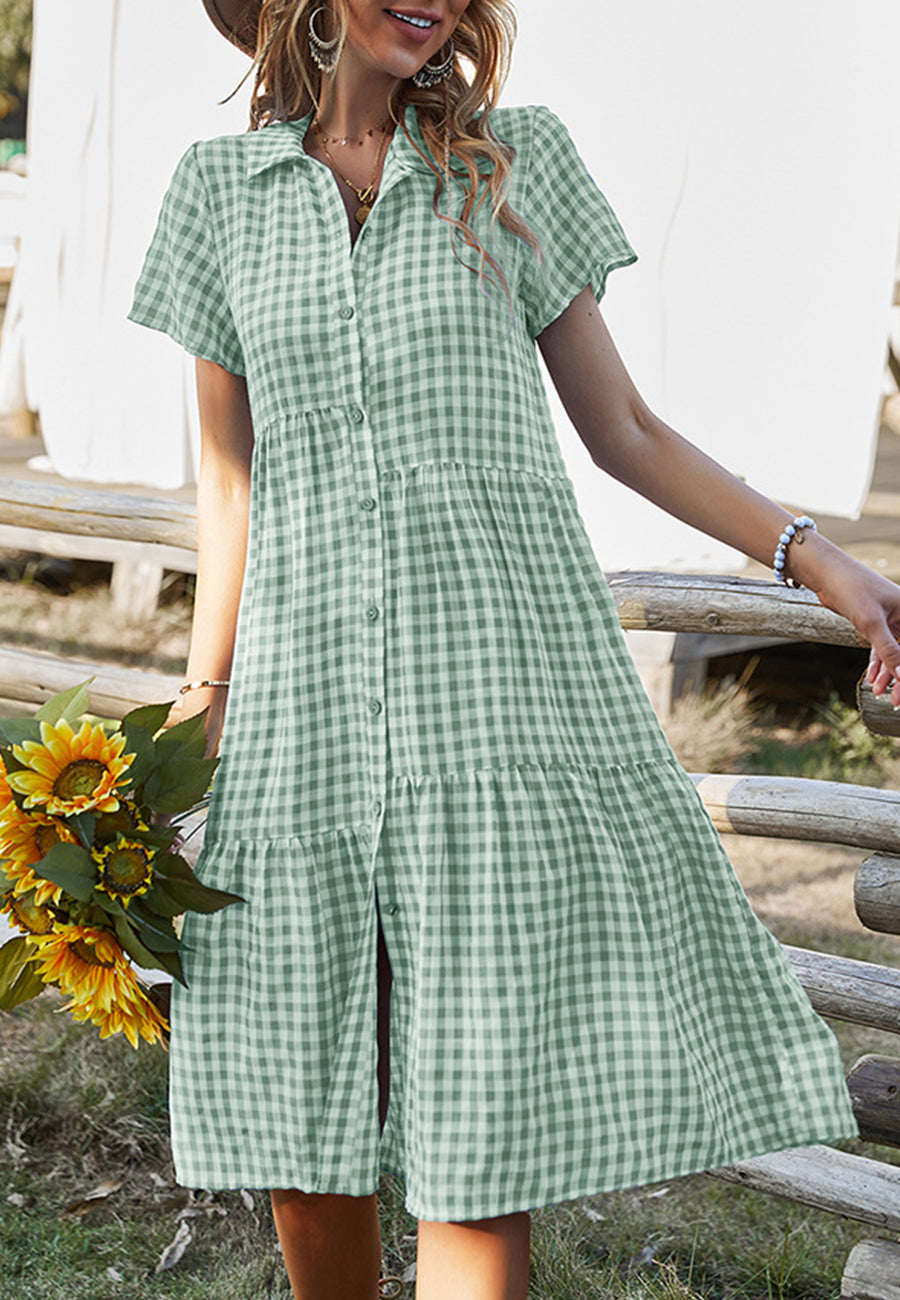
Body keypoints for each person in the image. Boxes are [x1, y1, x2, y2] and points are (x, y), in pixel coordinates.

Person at [126, 2, 900, 1297]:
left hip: (493, 703)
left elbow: (629, 433)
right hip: (300, 712)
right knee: (302, 1108)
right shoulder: (220, 190)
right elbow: (229, 479)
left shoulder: (513, 163)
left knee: (474, 1136)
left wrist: (819, 560)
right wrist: (207, 690)